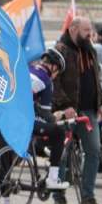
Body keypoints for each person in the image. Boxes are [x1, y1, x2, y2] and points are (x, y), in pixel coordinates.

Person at [52, 16, 102, 204]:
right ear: (73, 29)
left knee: (93, 150)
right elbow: (53, 83)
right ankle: (59, 196)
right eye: (85, 30)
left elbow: (96, 76)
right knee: (63, 154)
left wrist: (100, 102)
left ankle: (88, 197)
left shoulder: (89, 49)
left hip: (89, 110)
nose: (89, 34)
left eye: (90, 30)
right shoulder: (60, 50)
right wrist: (65, 106)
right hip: (67, 113)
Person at [30, 48, 72, 191]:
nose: (56, 75)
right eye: (57, 72)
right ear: (54, 66)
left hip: (7, 116)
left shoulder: (28, 69)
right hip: (25, 120)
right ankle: (53, 179)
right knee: (58, 133)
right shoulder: (46, 80)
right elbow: (47, 116)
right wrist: (59, 115)